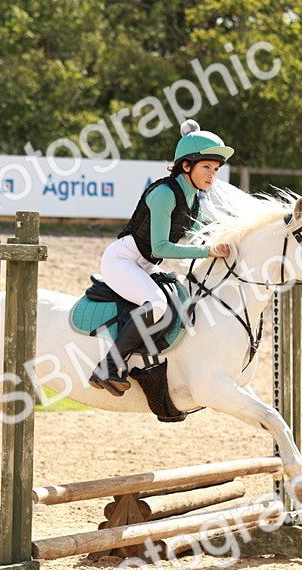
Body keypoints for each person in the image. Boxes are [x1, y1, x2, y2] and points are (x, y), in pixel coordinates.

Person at [89, 120, 232, 396]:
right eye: (206, 167)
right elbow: (162, 247)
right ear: (186, 166)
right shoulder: (164, 193)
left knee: (180, 298)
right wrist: (207, 251)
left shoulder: (195, 200)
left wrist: (221, 244)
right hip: (122, 260)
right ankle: (108, 367)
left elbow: (195, 237)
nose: (212, 175)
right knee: (155, 304)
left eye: (215, 169)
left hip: (146, 265)